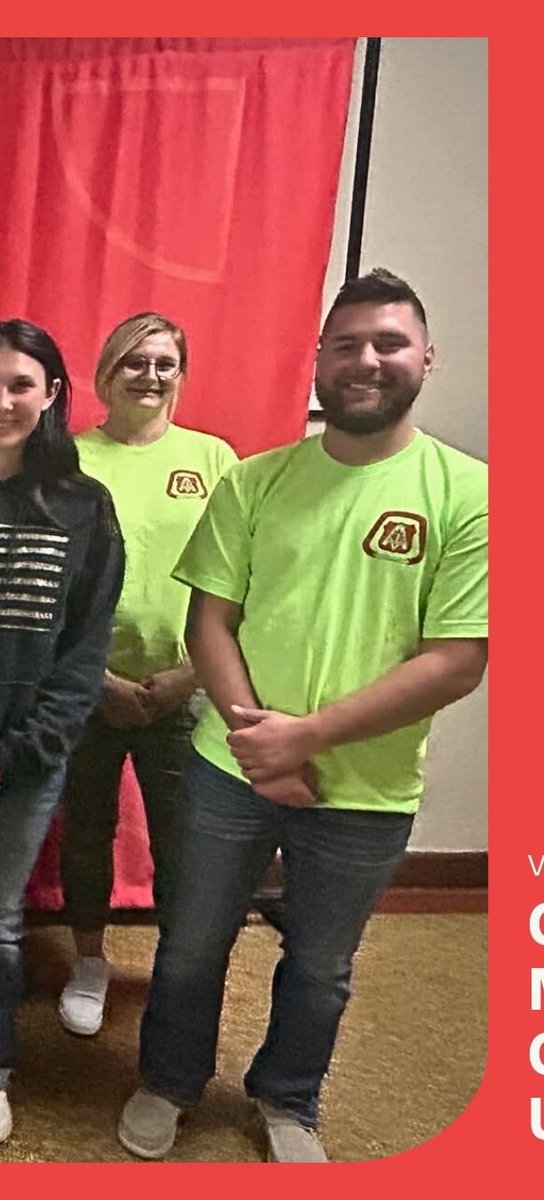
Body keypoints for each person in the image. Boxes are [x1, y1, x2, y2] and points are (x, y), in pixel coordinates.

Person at [117, 268, 488, 1163]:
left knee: (320, 968)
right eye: (347, 343)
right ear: (319, 359)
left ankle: (289, 1099)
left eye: (388, 343)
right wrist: (260, 745)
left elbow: (459, 657)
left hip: (366, 788)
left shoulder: (469, 494)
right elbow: (212, 620)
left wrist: (307, 739)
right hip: (228, 769)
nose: (367, 360)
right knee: (191, 947)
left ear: (425, 359)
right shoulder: (254, 482)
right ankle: (167, 1079)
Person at [56, 313, 237, 1037]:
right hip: (85, 684)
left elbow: (241, 581)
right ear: (107, 373)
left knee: (184, 843)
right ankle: (88, 961)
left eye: (164, 363)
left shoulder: (216, 459)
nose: (150, 376)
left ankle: (178, 970)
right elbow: (47, 581)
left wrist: (192, 676)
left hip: (183, 688)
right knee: (84, 831)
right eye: (135, 362)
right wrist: (92, 675)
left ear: (181, 375)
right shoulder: (68, 461)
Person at [0, 319, 124, 1144]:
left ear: (50, 395)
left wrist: (29, 747)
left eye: (19, 383)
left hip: (24, 756)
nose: (3, 398)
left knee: (0, 922)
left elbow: (84, 652)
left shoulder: (82, 507)